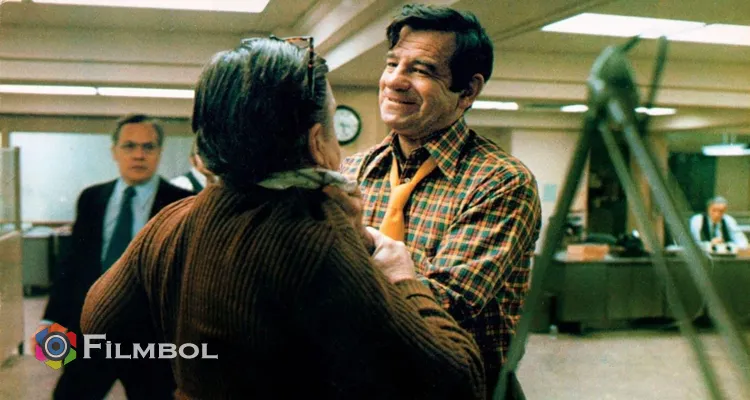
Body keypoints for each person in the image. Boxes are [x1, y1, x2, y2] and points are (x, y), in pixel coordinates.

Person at [80, 36, 485, 399]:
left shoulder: (171, 221)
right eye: (331, 121)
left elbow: (100, 329)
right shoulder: (318, 240)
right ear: (316, 142)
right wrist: (404, 278)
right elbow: (458, 380)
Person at [340, 4, 542, 397]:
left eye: (421, 70)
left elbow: (449, 306)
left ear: (468, 90)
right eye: (392, 64)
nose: (394, 81)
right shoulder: (354, 170)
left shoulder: (501, 182)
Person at [38, 113, 193, 399]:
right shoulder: (92, 199)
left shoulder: (182, 203)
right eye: (129, 146)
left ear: (159, 151)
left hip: (150, 338)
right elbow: (71, 264)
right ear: (114, 151)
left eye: (148, 147)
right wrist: (51, 322)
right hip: (91, 329)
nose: (139, 155)